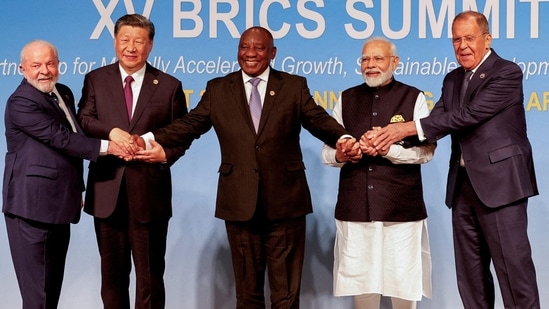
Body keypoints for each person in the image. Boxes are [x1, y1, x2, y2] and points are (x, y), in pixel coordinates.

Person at [133, 26, 355, 309]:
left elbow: (318, 120)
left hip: (286, 203)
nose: (250, 53)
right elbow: (189, 125)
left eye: (259, 48)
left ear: (272, 53)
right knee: (247, 294)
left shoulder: (293, 86)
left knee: (285, 295)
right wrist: (150, 138)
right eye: (244, 47)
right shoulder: (218, 89)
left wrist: (344, 138)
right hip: (239, 202)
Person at [370, 11, 540, 309]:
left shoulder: (506, 73)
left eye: (469, 38)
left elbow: (469, 115)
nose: (462, 46)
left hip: (501, 187)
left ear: (487, 40)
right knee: (470, 279)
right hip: (462, 189)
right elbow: (437, 120)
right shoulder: (452, 79)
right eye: (456, 39)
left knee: (515, 278)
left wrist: (408, 127)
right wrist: (389, 137)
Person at [2, 40, 128, 309]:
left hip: (60, 203)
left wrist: (75, 189)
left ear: (59, 65)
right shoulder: (21, 102)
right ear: (22, 68)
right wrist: (110, 147)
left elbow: (75, 134)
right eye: (36, 65)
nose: (44, 71)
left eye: (50, 63)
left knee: (51, 289)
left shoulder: (63, 92)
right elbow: (61, 139)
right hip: (31, 208)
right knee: (38, 295)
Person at [76, 14, 188, 309]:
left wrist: (165, 154)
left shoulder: (168, 86)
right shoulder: (96, 79)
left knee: (150, 278)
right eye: (125, 40)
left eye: (139, 41)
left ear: (150, 45)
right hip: (106, 192)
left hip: (149, 195)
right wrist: (111, 133)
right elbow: (83, 120)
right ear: (115, 41)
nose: (131, 47)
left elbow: (181, 135)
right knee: (112, 278)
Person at [321, 37, 434, 309]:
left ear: (394, 62)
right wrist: (343, 153)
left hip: (401, 210)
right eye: (365, 59)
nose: (371, 65)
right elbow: (327, 153)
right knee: (362, 284)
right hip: (356, 208)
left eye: (378, 59)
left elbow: (427, 152)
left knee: (403, 283)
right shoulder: (346, 98)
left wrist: (388, 149)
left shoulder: (414, 97)